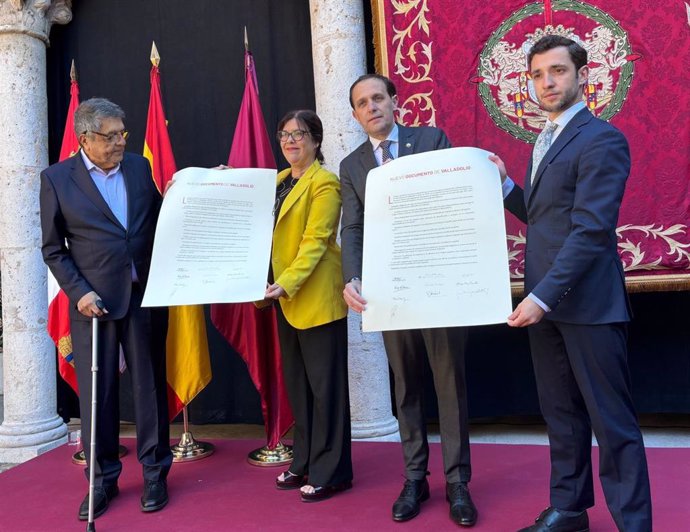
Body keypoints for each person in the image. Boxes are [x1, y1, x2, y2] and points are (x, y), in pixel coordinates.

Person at [490, 35, 652, 532]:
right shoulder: (545, 140)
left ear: (582, 75)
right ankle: (569, 510)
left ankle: (633, 523)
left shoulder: (602, 138)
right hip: (548, 303)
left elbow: (590, 229)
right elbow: (544, 218)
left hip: (588, 306)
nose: (547, 82)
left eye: (557, 71)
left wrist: (539, 296)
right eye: (538, 75)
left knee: (612, 423)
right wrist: (505, 187)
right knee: (560, 416)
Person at [340, 74, 477, 527]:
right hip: (387, 290)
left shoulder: (431, 139)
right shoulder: (352, 164)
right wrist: (353, 277)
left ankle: (458, 483)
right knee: (406, 386)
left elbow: (453, 199)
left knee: (449, 383)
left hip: (437, 281)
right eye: (362, 103)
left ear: (395, 102)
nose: (372, 107)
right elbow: (353, 228)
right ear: (356, 114)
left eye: (378, 97)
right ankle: (415, 477)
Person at [40, 98, 172, 520]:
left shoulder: (137, 166)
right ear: (85, 139)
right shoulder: (57, 179)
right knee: (99, 396)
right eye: (110, 136)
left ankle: (155, 473)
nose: (119, 142)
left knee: (149, 388)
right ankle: (102, 480)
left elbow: (158, 215)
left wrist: (199, 192)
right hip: (92, 303)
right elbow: (52, 249)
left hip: (141, 294)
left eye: (122, 134)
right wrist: (77, 291)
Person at [265, 109, 353, 502]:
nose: (290, 141)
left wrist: (284, 284)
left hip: (312, 298)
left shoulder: (325, 183)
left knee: (326, 390)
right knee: (300, 389)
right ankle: (303, 460)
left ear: (316, 141)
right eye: (284, 134)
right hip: (284, 301)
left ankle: (332, 472)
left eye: (299, 134)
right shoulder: (279, 181)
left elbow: (316, 241)